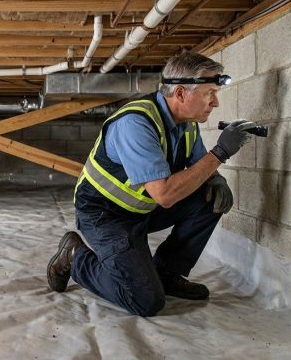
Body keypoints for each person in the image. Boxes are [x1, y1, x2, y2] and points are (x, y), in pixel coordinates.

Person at [46, 51, 256, 317]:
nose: (214, 102)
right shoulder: (136, 123)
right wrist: (221, 153)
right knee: (145, 300)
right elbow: (165, 195)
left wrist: (216, 178)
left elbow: (200, 164)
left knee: (210, 196)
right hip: (104, 215)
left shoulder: (186, 124)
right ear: (180, 93)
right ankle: (75, 257)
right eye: (209, 93)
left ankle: (167, 273)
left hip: (140, 210)